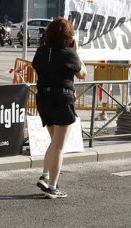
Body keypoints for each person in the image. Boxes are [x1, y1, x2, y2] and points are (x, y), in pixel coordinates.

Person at [31, 17, 87, 199]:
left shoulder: (41, 51)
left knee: (54, 141)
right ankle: (53, 187)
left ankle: (45, 175)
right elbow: (83, 74)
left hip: (43, 99)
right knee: (59, 147)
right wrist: (76, 52)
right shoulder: (68, 54)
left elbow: (37, 68)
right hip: (62, 99)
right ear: (68, 37)